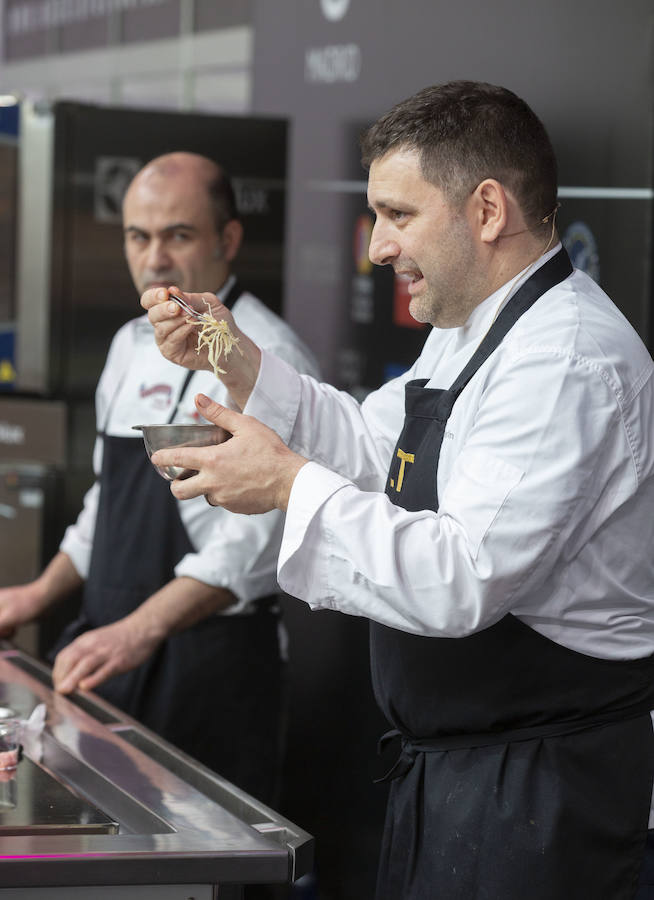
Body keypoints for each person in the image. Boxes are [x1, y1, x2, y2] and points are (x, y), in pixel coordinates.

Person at [142, 83, 654, 899]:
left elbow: (462, 578)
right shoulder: (472, 329)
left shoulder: (565, 360)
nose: (377, 247)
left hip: (545, 791)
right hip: (467, 774)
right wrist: (231, 355)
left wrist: (286, 484)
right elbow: (373, 447)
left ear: (487, 209)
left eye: (398, 215)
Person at [0, 151, 319, 806]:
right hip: (111, 647)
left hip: (211, 667)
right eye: (138, 237)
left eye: (178, 235)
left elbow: (256, 546)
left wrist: (140, 628)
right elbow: (108, 503)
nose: (155, 259)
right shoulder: (127, 344)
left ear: (228, 239)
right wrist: (37, 594)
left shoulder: (269, 355)